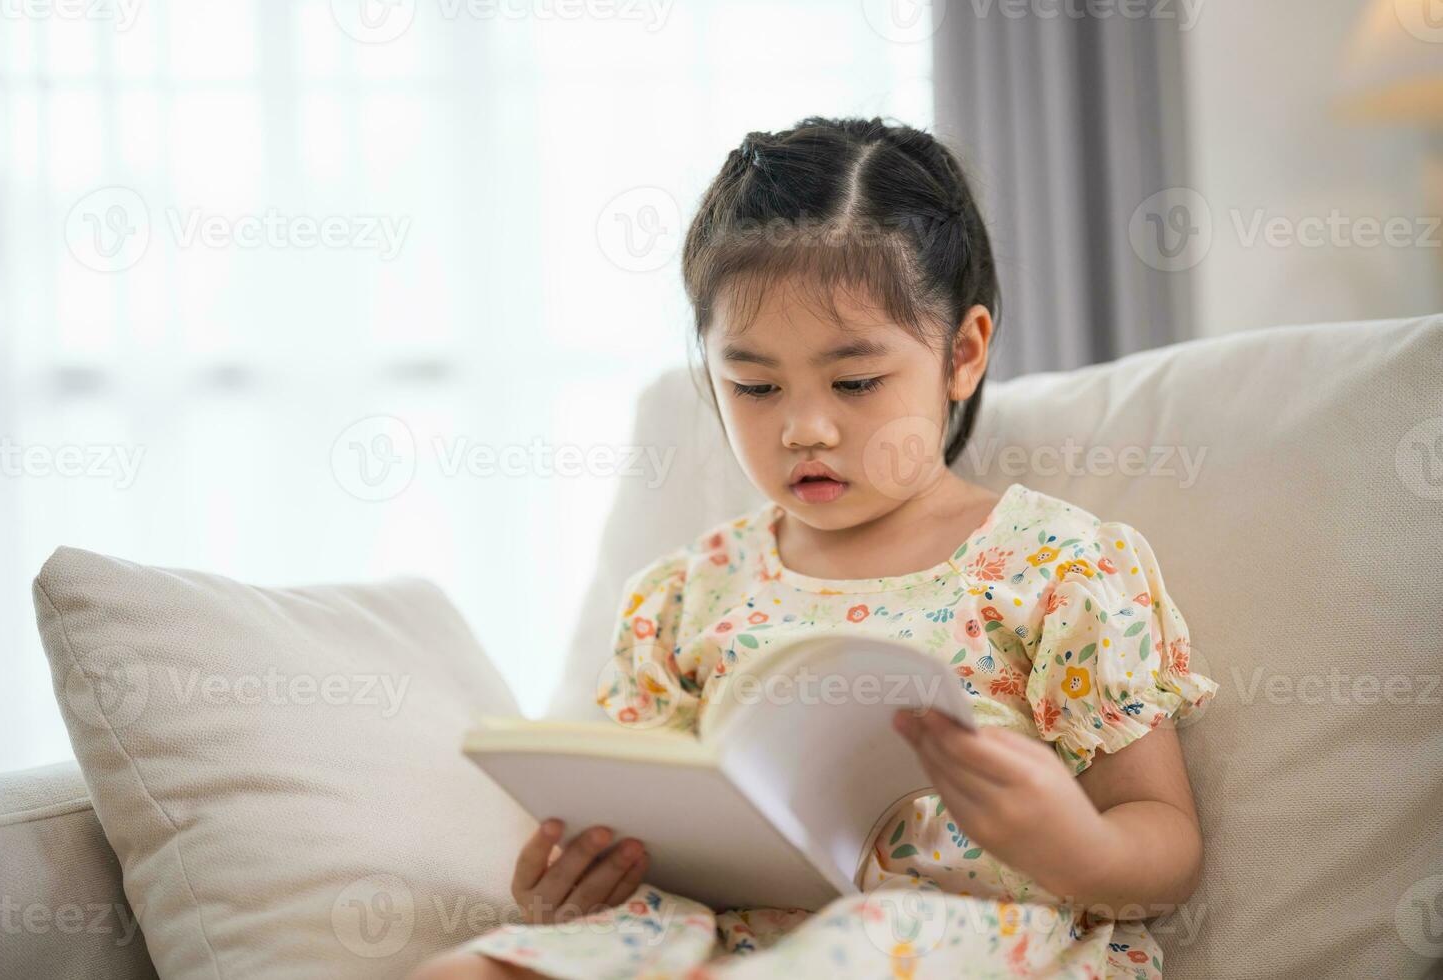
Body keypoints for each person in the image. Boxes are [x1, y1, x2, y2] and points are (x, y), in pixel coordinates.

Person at [412, 116, 1219, 979]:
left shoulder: (1060, 569)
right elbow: (645, 818)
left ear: (964, 353)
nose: (804, 427)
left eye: (856, 382)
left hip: (947, 943)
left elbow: (1163, 841)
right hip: (707, 937)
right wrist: (578, 892)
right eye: (753, 386)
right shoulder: (687, 595)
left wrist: (1078, 847)